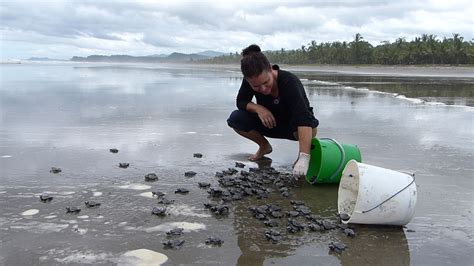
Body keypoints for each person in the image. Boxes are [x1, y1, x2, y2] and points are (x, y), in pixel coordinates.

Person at [227, 44, 319, 177]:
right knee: (236, 118)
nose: (263, 89)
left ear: (270, 68)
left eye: (266, 82)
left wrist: (303, 158)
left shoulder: (289, 82)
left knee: (304, 125)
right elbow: (241, 102)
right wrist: (259, 108)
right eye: (256, 86)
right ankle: (264, 146)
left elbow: (303, 118)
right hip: (270, 123)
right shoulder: (250, 81)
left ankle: (305, 154)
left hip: (295, 128)